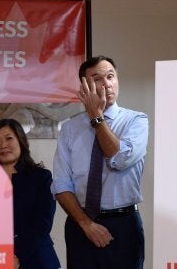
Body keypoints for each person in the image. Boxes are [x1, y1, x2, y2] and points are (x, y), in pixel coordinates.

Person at [52, 55, 148, 268]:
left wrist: (96, 117)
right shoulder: (69, 128)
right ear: (84, 88)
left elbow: (119, 158)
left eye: (111, 77)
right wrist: (86, 224)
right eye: (97, 79)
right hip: (81, 223)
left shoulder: (136, 121)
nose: (106, 83)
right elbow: (61, 184)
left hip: (123, 224)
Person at [0, 119, 61, 269]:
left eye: (9, 138)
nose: (3, 145)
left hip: (36, 258)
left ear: (21, 141)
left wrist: (17, 256)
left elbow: (42, 223)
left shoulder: (41, 177)